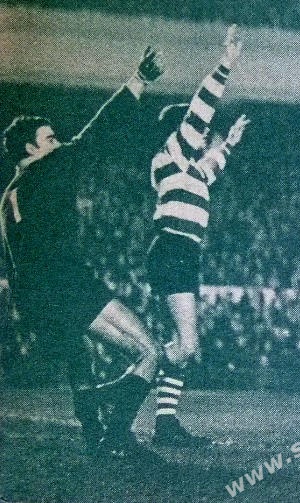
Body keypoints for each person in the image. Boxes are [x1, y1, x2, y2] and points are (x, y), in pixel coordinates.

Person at [0, 47, 165, 459]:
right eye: (49, 139)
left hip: (33, 297)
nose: (58, 144)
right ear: (31, 150)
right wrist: (138, 81)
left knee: (80, 359)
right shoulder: (48, 169)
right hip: (65, 282)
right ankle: (116, 426)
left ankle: (96, 435)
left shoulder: (8, 196)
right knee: (149, 351)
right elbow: (97, 133)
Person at [146, 24, 250, 446]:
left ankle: (165, 421)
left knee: (183, 343)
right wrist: (225, 64)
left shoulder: (190, 172)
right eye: (199, 133)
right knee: (186, 345)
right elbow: (200, 110)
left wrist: (229, 144)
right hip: (172, 249)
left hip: (182, 252)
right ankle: (129, 397)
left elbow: (212, 166)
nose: (204, 136)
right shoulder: (170, 156)